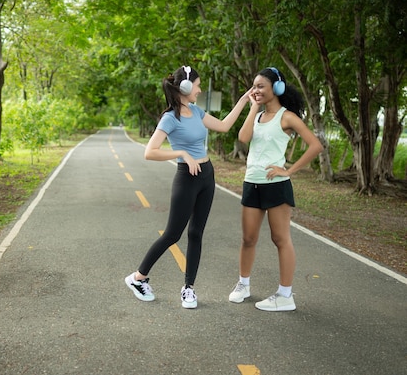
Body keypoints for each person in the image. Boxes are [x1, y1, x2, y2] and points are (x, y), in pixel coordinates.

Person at [125, 65, 251, 309]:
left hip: (206, 175)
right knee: (173, 233)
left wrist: (245, 101)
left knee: (196, 233)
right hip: (187, 177)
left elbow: (224, 126)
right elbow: (150, 152)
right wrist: (182, 153)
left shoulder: (196, 110)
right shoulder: (170, 118)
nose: (200, 89)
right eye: (197, 85)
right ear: (185, 87)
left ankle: (188, 289)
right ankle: (137, 278)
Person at [228, 67, 323, 312]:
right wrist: (252, 108)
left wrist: (289, 171)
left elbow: (315, 145)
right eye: (254, 86)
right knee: (248, 238)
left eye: (261, 86)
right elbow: (244, 137)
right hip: (252, 182)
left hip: (277, 185)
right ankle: (244, 284)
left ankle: (285, 295)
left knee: (280, 239)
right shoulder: (257, 116)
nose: (256, 90)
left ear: (276, 88)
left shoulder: (287, 117)